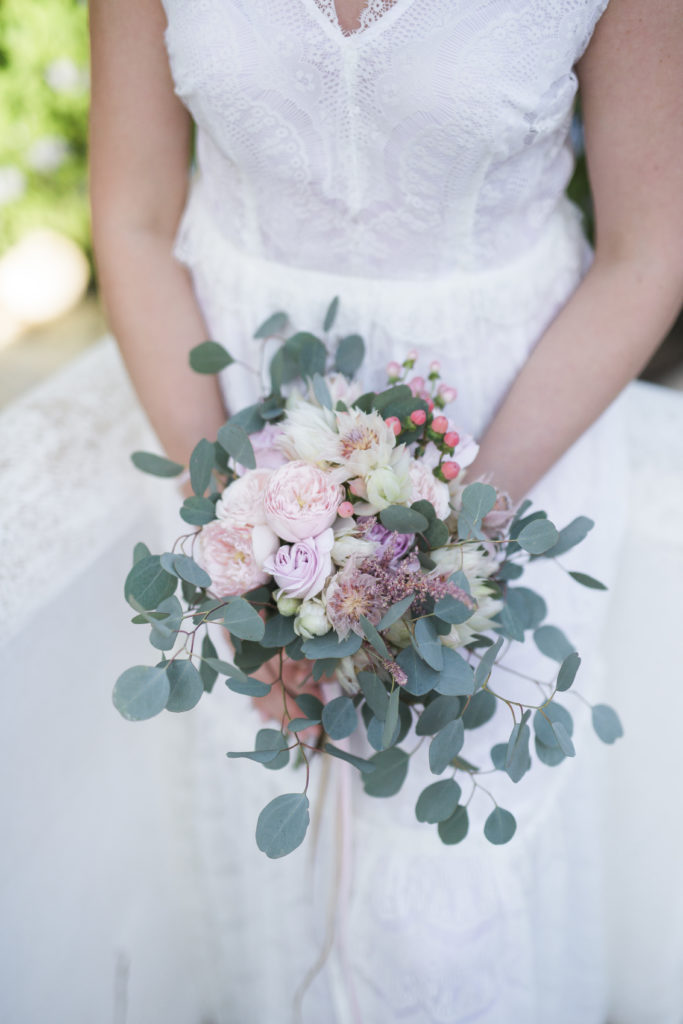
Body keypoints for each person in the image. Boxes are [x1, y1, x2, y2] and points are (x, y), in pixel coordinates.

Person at [88, 1, 683, 1021]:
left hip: (510, 435)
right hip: (228, 423)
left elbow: (650, 249)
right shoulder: (231, 499)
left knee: (442, 897)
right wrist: (239, 546)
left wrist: (440, 549)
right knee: (284, 809)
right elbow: (133, 219)